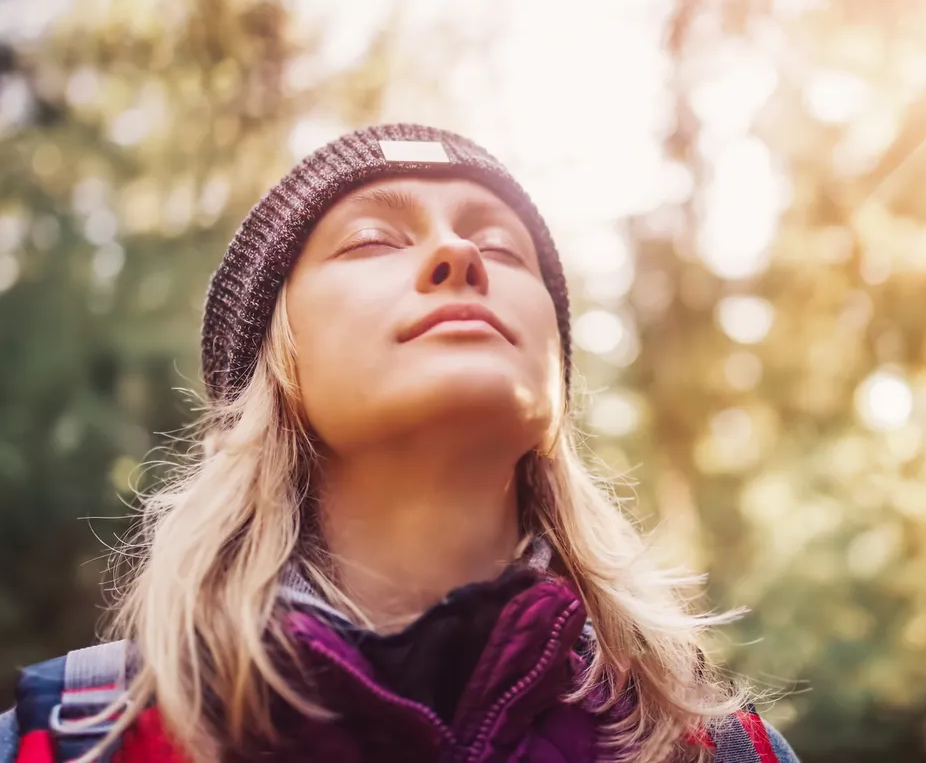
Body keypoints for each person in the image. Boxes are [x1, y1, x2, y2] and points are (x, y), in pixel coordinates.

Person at [0, 125, 797, 763]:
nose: (462, 257)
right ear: (274, 364)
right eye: (374, 240)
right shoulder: (71, 743)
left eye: (506, 249)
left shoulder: (714, 748)